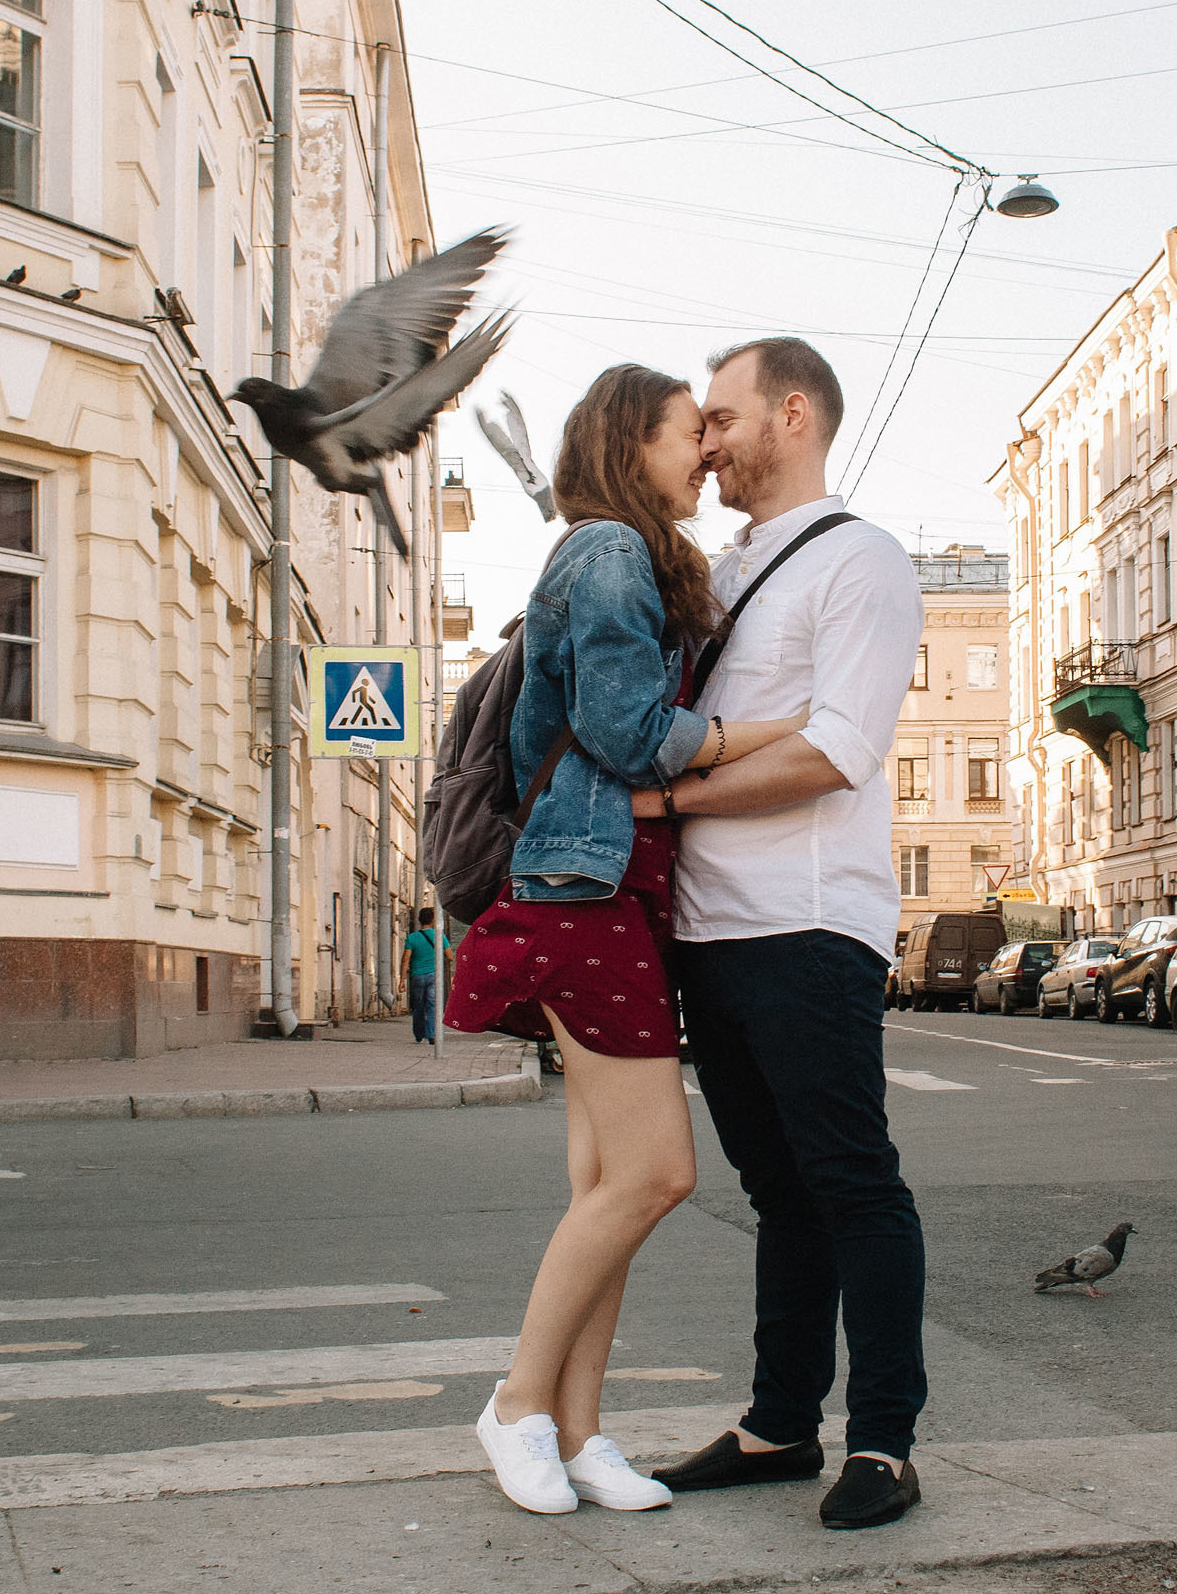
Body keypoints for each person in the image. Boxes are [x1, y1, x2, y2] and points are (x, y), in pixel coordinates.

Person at [445, 364, 810, 1517]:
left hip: (603, 886)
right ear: (627, 445)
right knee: (657, 1173)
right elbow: (623, 731)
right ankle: (514, 1406)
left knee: (605, 1182)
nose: (701, 451)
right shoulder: (606, 553)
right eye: (682, 434)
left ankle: (581, 1430)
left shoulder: (622, 555)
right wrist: (767, 730)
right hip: (580, 894)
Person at [635, 338, 930, 1531]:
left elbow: (833, 750)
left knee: (852, 1181)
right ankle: (777, 1424)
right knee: (779, 1190)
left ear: (793, 414)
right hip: (710, 929)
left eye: (722, 415)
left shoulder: (861, 562)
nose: (705, 440)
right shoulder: (723, 566)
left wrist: (666, 804)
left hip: (808, 922)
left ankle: (888, 1443)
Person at [401, 907, 448, 1044]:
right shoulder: (439, 936)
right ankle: (431, 1034)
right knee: (432, 1004)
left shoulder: (412, 938)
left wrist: (402, 980)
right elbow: (450, 955)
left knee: (419, 1005)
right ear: (433, 920)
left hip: (417, 976)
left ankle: (419, 1033)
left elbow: (405, 959)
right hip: (434, 975)